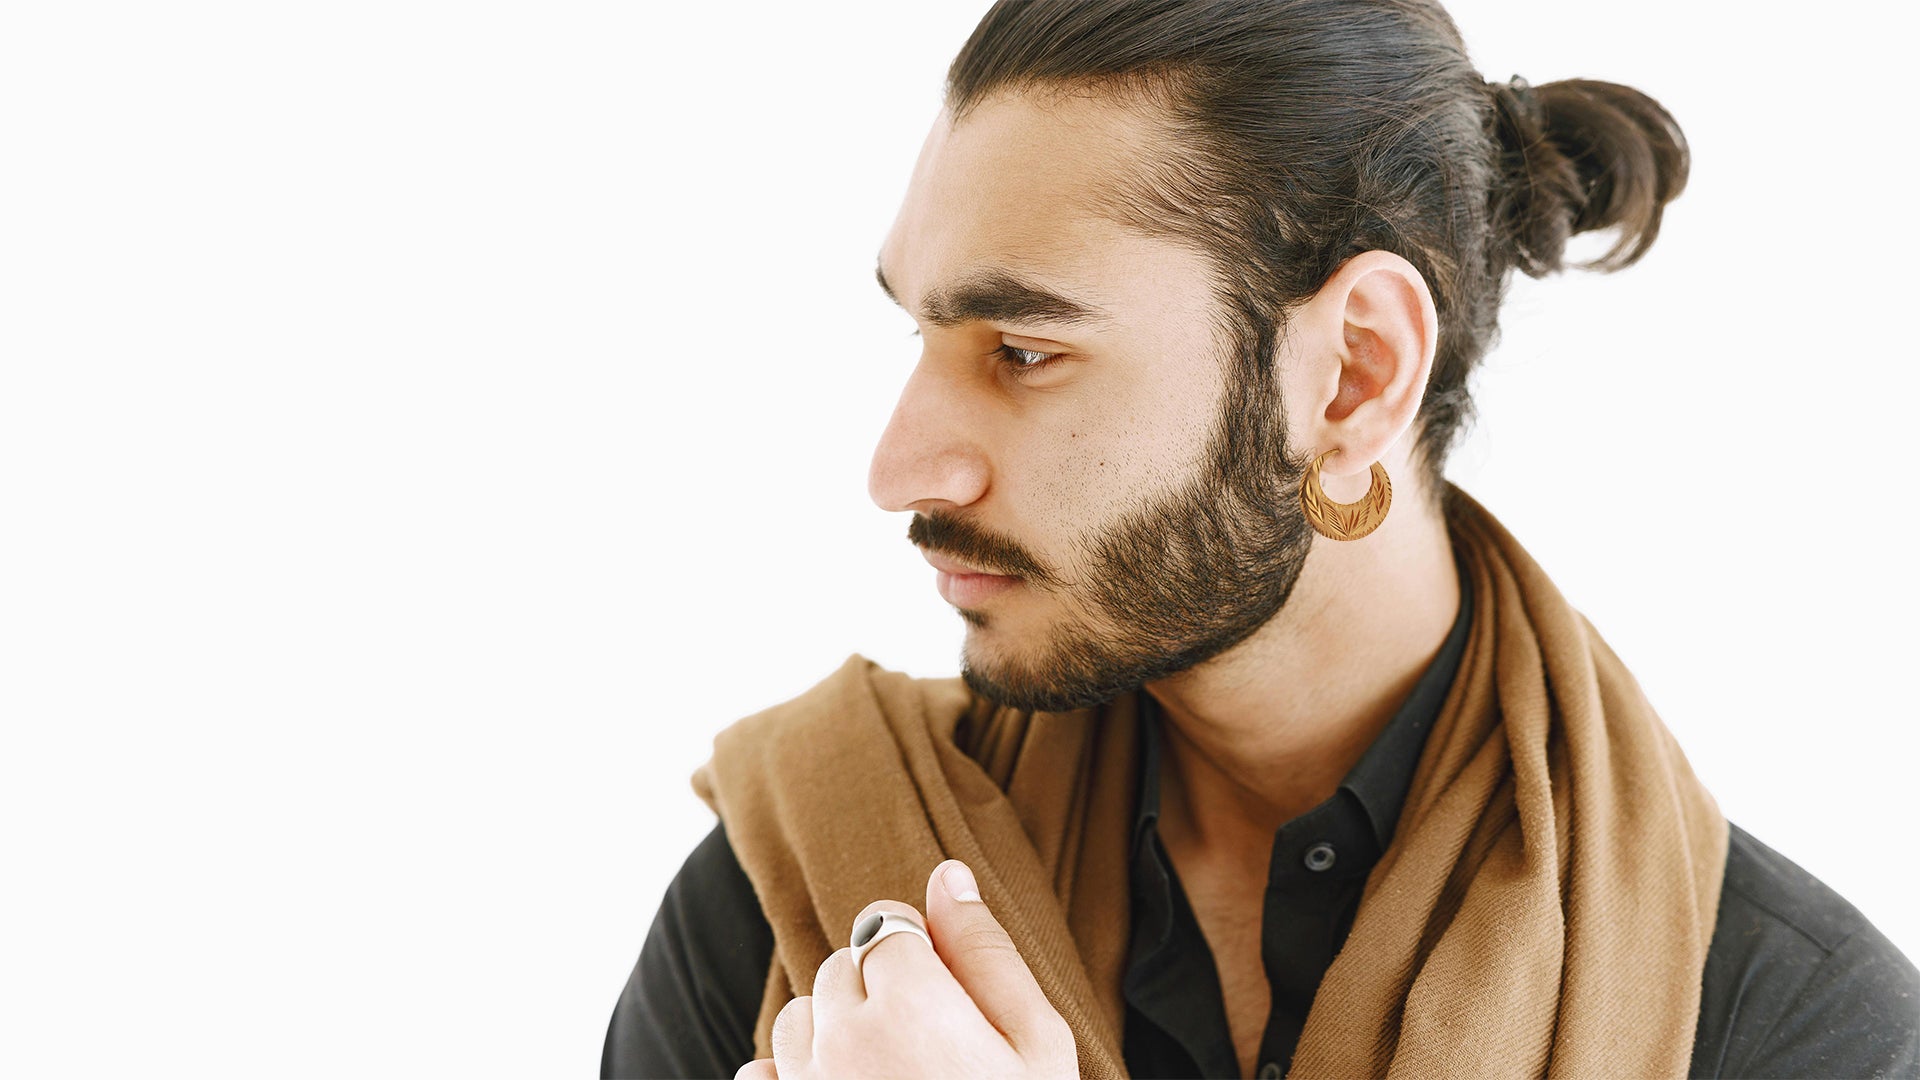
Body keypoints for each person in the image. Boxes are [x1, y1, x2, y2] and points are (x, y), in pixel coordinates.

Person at [603, 1, 1920, 1077]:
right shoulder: (797, 910)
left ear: (1354, 375)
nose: (899, 470)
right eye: (922, 333)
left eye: (1024, 350)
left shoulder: (1779, 1028)